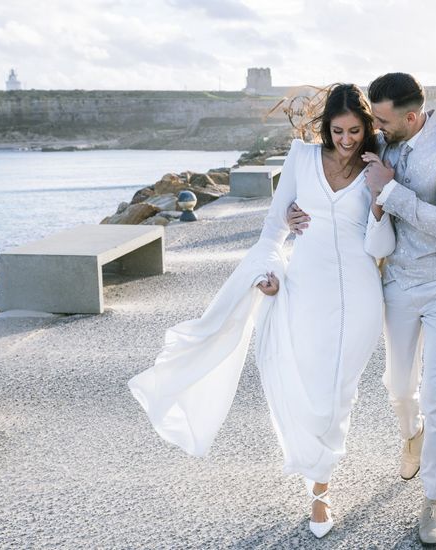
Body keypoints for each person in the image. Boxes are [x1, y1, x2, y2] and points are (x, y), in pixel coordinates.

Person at [128, 83, 395, 539]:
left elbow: (381, 244)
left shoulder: (378, 168)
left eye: (355, 131)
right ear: (325, 128)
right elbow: (273, 230)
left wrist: (377, 196)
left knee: (337, 395)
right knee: (306, 385)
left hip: (360, 293)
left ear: (367, 128)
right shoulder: (303, 159)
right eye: (338, 131)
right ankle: (315, 472)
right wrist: (269, 272)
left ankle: (320, 492)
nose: (346, 140)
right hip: (305, 287)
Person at [288, 72, 436, 544]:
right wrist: (296, 212)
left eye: (384, 120)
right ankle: (410, 434)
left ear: (412, 117)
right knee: (398, 385)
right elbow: (337, 186)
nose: (376, 127)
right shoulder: (381, 144)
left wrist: (391, 190)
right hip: (395, 282)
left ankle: (433, 500)